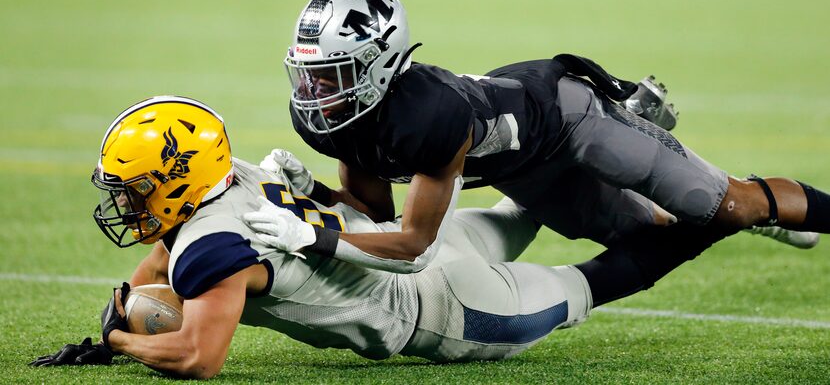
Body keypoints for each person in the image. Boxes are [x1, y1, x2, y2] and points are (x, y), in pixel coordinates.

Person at [31, 96, 734, 378]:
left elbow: (198, 356)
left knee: (603, 277)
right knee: (537, 196)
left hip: (448, 311)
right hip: (409, 240)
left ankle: (732, 217)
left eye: (136, 187)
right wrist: (135, 297)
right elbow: (166, 256)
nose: (126, 202)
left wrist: (119, 337)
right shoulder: (228, 177)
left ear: (178, 176)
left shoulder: (216, 250)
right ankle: (644, 138)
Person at [257, 0, 824, 274]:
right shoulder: (333, 120)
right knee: (651, 237)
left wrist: (315, 237)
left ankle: (756, 205)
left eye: (332, 76)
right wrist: (315, 194)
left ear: (381, 64)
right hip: (521, 167)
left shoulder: (427, 116)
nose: (315, 92)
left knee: (724, 204)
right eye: (309, 75)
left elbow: (414, 247)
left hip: (565, 116)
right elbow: (376, 216)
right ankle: (743, 210)